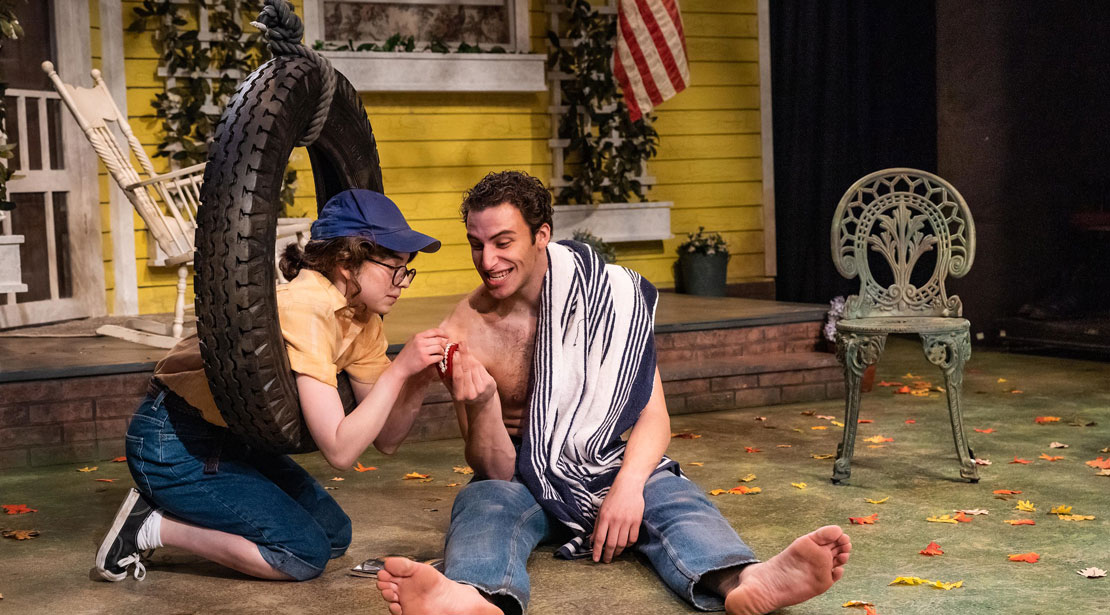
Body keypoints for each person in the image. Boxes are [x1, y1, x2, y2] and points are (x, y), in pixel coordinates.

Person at [376, 171, 851, 615]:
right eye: (476, 246)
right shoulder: (466, 329)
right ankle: (475, 596)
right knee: (485, 502)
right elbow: (494, 468)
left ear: (542, 234)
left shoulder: (607, 296)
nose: (488, 262)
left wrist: (626, 487)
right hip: (519, 470)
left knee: (672, 495)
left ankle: (743, 578)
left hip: (602, 457)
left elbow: (653, 416)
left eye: (503, 243)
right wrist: (483, 406)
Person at [93, 189, 449, 583]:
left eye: (407, 268)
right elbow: (340, 449)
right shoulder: (305, 308)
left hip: (236, 439)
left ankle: (196, 506)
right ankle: (150, 525)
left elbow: (387, 440)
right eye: (393, 267)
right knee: (302, 554)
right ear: (347, 261)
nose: (403, 283)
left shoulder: (362, 318)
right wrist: (398, 373)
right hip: (173, 439)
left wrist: (418, 379)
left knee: (334, 535)